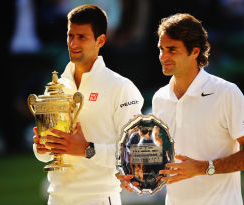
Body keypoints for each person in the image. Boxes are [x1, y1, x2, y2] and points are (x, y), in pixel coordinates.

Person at [119, 13, 244, 204]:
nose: (164, 56)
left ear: (195, 52)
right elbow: (158, 159)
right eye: (161, 49)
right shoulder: (159, 98)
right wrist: (134, 175)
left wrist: (203, 167)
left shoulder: (226, 93)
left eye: (172, 49)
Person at [32, 4, 143, 205]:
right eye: (70, 36)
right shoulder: (55, 88)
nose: (73, 43)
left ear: (100, 40)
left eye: (81, 37)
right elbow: (46, 157)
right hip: (57, 197)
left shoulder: (121, 87)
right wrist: (42, 147)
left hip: (98, 198)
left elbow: (135, 154)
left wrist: (88, 149)